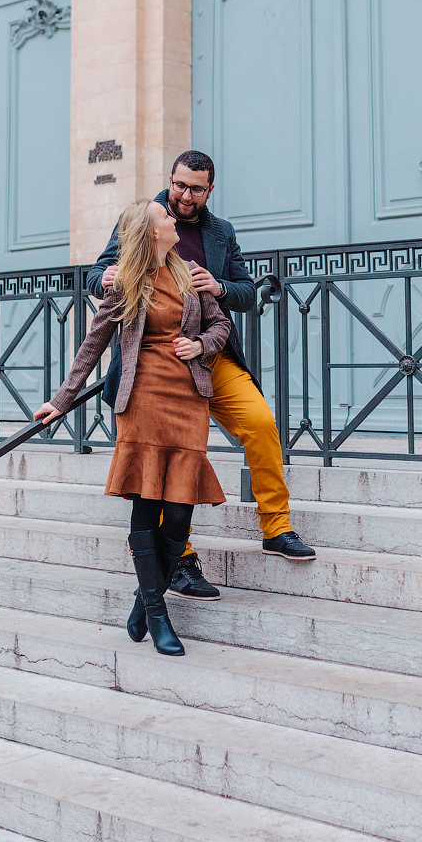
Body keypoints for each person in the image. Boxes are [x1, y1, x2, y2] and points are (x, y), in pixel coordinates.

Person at [87, 149, 316, 605]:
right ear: (170, 179)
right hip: (162, 369)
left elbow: (247, 293)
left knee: (261, 424)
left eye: (196, 188)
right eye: (179, 184)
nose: (184, 195)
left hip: (211, 353)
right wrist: (104, 278)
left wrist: (219, 286)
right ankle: (181, 559)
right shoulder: (144, 217)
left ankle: (277, 526)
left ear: (210, 190)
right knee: (177, 454)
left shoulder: (220, 232)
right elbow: (98, 273)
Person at [34, 199, 231, 657]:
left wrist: (199, 344)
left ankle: (145, 601)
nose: (172, 218)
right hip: (141, 400)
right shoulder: (127, 281)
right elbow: (94, 342)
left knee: (180, 513)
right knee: (147, 506)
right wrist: (62, 400)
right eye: (165, 217)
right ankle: (159, 616)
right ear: (150, 231)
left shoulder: (189, 271)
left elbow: (221, 325)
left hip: (188, 401)